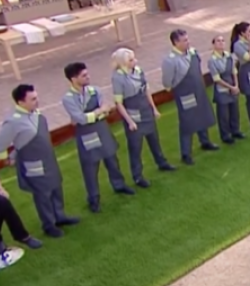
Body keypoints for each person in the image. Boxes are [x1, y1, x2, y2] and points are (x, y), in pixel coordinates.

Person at [0, 84, 79, 238]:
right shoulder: (13, 122)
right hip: (34, 166)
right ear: (21, 102)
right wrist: (6, 159)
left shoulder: (34, 113)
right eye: (33, 99)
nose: (37, 101)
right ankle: (49, 225)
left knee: (56, 188)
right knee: (43, 195)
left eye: (36, 97)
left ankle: (59, 216)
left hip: (48, 161)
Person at [62, 62, 134, 213]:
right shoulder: (68, 99)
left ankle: (119, 185)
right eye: (84, 75)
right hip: (87, 135)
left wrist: (93, 115)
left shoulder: (95, 90)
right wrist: (98, 112)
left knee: (112, 160)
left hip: (102, 130)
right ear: (73, 79)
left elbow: (105, 111)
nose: (88, 77)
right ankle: (93, 199)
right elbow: (81, 119)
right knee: (90, 168)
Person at [111, 48, 176, 187]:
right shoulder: (118, 78)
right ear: (123, 63)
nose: (135, 61)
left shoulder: (138, 71)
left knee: (154, 139)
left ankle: (161, 162)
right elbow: (119, 103)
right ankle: (137, 176)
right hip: (133, 114)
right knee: (135, 147)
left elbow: (146, 91)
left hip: (145, 110)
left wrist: (154, 109)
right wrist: (129, 121)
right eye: (131, 60)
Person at [162, 29, 219, 165]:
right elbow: (167, 82)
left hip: (198, 91)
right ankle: (186, 153)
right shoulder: (170, 60)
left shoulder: (193, 52)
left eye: (187, 39)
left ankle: (205, 141)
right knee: (187, 122)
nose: (188, 42)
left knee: (201, 115)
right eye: (185, 40)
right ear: (176, 43)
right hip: (185, 94)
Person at [208, 36, 244, 144]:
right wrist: (231, 87)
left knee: (234, 111)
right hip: (222, 90)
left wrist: (236, 85)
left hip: (232, 88)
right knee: (223, 115)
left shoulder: (229, 56)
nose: (221, 42)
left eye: (223, 40)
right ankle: (225, 135)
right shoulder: (212, 60)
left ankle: (235, 130)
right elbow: (217, 79)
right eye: (218, 41)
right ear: (213, 44)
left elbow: (234, 71)